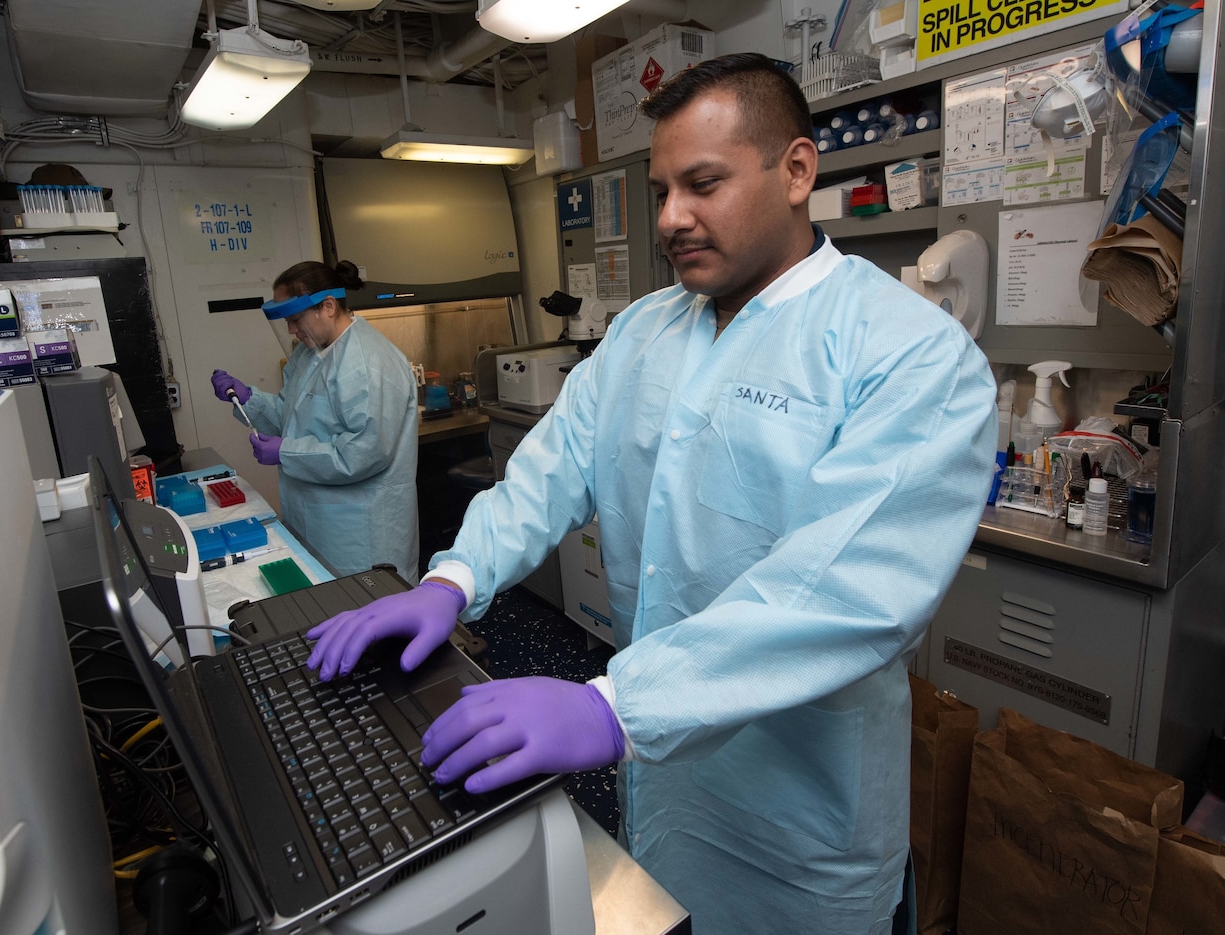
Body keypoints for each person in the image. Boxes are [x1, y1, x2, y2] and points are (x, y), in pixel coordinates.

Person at [305, 54, 997, 934]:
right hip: (661, 779)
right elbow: (548, 470)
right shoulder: (641, 330)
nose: (673, 217)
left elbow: (844, 594)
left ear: (796, 171)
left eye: (703, 184)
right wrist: (453, 579)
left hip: (800, 819)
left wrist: (609, 703)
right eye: (663, 188)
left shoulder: (907, 352)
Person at [211, 259, 419, 582]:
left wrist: (285, 453)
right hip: (319, 528)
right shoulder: (310, 354)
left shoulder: (367, 363)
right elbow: (290, 419)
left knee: (371, 621)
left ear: (328, 306)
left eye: (295, 319)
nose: (291, 330)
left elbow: (361, 454)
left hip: (361, 540)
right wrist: (248, 400)